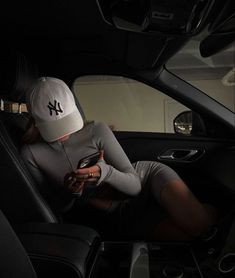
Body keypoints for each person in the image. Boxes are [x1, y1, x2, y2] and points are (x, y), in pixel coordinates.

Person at [21, 77, 218, 241]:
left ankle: (210, 213)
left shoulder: (96, 129)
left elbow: (135, 185)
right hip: (116, 213)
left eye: (66, 121)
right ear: (34, 120)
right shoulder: (31, 154)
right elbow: (53, 210)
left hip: (145, 180)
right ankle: (203, 212)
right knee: (192, 238)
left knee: (200, 226)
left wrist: (104, 172)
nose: (64, 133)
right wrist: (73, 193)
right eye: (54, 126)